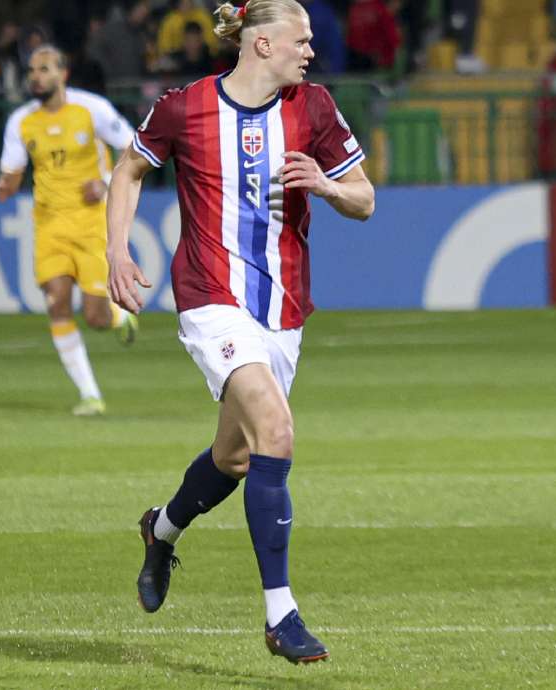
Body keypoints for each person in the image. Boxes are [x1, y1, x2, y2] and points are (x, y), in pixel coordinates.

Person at [105, 0, 374, 665]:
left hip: (282, 310)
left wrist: (328, 187)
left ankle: (160, 532)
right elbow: (129, 170)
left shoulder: (313, 109)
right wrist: (116, 252)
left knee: (235, 458)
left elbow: (365, 198)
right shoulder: (184, 107)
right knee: (276, 433)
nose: (311, 51)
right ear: (261, 45)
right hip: (210, 300)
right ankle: (281, 614)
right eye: (301, 40)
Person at [0, 45, 139, 417]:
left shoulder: (92, 110)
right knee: (56, 301)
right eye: (31, 71)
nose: (36, 77)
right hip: (49, 225)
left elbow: (133, 147)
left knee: (96, 317)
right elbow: (11, 171)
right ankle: (90, 394)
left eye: (43, 69)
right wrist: (6, 185)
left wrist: (106, 181)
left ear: (63, 73)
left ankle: (119, 317)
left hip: (92, 223)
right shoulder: (21, 121)